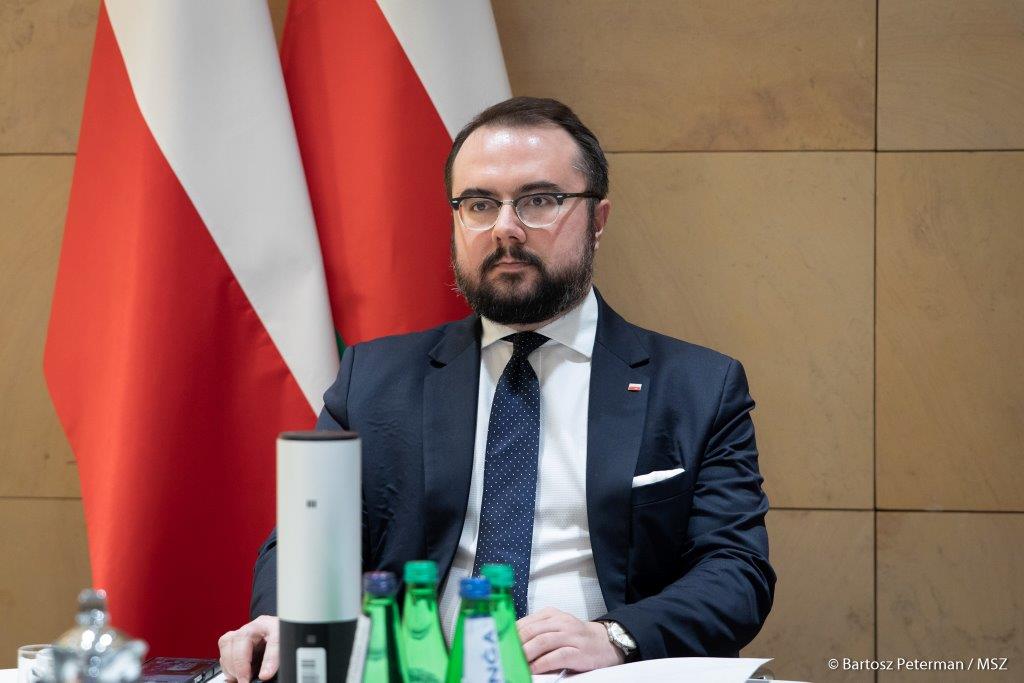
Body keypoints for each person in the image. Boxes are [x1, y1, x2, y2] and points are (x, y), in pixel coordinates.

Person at [219, 97, 775, 681]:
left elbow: (735, 571)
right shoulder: (375, 379)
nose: (505, 228)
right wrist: (286, 619)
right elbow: (307, 542)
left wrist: (614, 637)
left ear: (598, 219)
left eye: (539, 200)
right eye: (480, 204)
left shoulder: (696, 386)